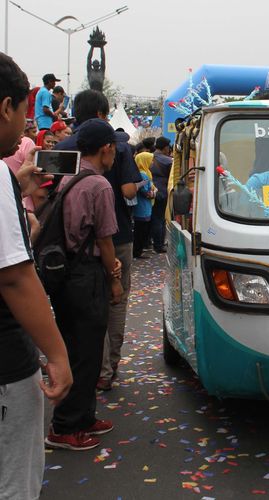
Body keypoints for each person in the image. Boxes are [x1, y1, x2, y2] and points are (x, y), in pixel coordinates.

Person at [0, 51, 72, 499]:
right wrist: (58, 355)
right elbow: (12, 277)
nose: (25, 128)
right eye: (23, 115)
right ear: (6, 106)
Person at [54, 89, 140, 393]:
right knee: (115, 302)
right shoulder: (117, 150)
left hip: (67, 247)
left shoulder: (61, 148)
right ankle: (108, 367)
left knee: (83, 314)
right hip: (114, 241)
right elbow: (128, 192)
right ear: (103, 114)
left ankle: (93, 366)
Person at [46, 118, 123, 450]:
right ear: (106, 148)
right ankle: (64, 427)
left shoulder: (70, 177)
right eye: (114, 150)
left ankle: (84, 417)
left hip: (67, 273)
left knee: (79, 347)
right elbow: (106, 240)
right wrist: (114, 278)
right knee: (85, 351)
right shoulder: (100, 186)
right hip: (87, 275)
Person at [149, 136, 173, 254]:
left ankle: (152, 242)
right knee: (160, 219)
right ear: (165, 147)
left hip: (149, 190)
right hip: (162, 191)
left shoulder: (148, 157)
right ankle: (159, 245)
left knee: (153, 218)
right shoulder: (168, 161)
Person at [132, 152, 155, 259]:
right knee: (140, 231)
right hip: (142, 207)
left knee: (141, 230)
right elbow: (146, 192)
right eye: (151, 160)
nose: (153, 163)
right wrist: (152, 192)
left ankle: (138, 250)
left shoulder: (145, 172)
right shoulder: (143, 174)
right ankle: (137, 251)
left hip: (144, 206)